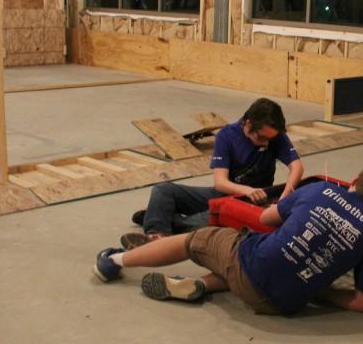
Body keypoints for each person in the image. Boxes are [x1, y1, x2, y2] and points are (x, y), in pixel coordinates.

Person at [94, 166, 363, 315]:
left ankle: (113, 261)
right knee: (247, 265)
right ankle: (201, 285)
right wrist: (321, 291)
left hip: (252, 267)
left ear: (355, 180)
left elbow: (266, 220)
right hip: (284, 305)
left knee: (197, 240)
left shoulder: (319, 190)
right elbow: (362, 303)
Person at [120, 98, 304, 249]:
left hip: (252, 203)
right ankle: (155, 234)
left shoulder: (274, 135)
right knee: (162, 190)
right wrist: (247, 190)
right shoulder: (227, 136)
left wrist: (284, 199)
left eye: (270, 139)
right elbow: (220, 182)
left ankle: (159, 216)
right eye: (261, 138)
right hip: (226, 194)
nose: (266, 143)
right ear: (248, 124)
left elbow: (297, 167)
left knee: (201, 224)